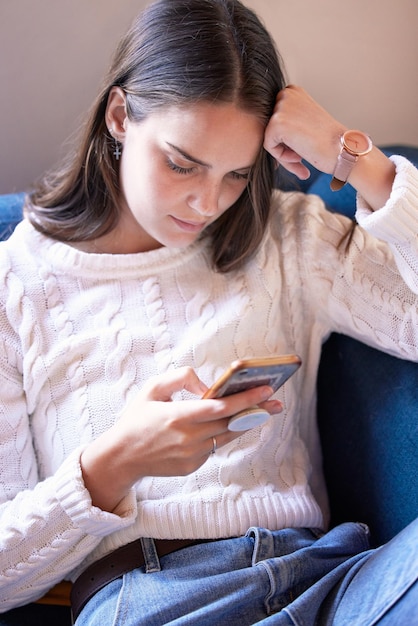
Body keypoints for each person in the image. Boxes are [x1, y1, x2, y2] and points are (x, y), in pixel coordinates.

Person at [0, 0, 417, 623]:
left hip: (325, 582)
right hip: (154, 599)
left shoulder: (286, 237)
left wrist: (353, 157)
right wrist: (116, 465)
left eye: (236, 175)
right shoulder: (17, 286)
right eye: (181, 163)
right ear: (120, 116)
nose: (206, 202)